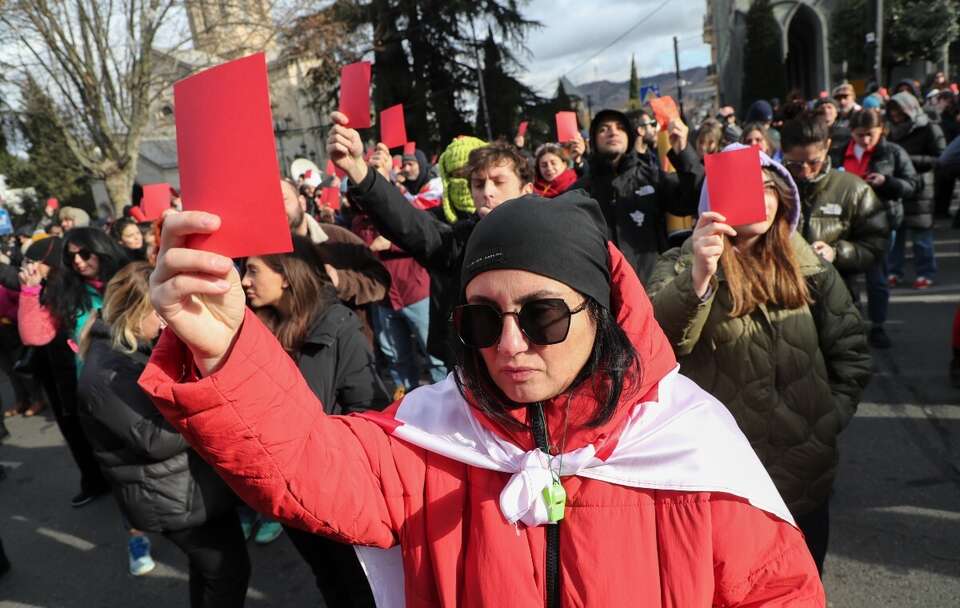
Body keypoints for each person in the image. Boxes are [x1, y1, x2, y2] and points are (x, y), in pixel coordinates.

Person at [141, 194, 825, 607]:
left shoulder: (687, 439)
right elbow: (307, 464)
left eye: (543, 316)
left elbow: (776, 592)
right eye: (481, 320)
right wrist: (225, 347)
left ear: (604, 314)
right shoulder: (434, 433)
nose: (511, 344)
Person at [648, 144, 870, 574]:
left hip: (804, 478)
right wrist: (698, 276)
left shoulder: (808, 265)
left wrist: (826, 418)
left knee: (800, 588)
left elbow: (851, 353)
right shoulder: (680, 264)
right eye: (747, 187)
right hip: (722, 479)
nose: (760, 198)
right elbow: (657, 349)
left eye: (770, 187)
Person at [77, 261, 249, 605]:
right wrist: (208, 405)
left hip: (181, 487)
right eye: (158, 314)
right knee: (227, 572)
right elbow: (156, 440)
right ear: (133, 312)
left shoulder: (124, 350)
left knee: (213, 572)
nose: (164, 323)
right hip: (170, 495)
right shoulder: (106, 373)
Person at [241, 236, 387, 606]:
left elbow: (367, 413)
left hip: (335, 488)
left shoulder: (338, 328)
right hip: (285, 492)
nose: (243, 280)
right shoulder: (253, 331)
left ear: (286, 276)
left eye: (253, 270)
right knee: (327, 578)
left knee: (359, 584)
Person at [335, 113, 533, 366]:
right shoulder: (460, 239)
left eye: (498, 182)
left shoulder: (552, 231)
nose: (487, 193)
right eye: (479, 184)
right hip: (475, 367)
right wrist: (358, 170)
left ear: (526, 189)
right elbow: (410, 224)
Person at [18, 229, 130, 507]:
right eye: (72, 257)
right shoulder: (66, 292)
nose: (78, 262)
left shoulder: (130, 279)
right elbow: (36, 336)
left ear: (101, 249)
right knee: (119, 467)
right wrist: (30, 292)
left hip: (140, 381)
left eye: (85, 253)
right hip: (96, 393)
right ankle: (136, 533)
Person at [568, 108, 703, 283]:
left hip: (652, 287)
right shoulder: (580, 191)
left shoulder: (651, 177)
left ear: (630, 137)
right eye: (603, 129)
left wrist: (683, 153)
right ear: (593, 141)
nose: (613, 131)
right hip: (604, 291)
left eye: (620, 127)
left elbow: (691, 200)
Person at [779, 115, 888, 284]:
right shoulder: (771, 190)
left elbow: (875, 245)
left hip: (837, 294)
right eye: (795, 164)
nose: (805, 172)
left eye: (813, 162)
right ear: (783, 152)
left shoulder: (854, 189)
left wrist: (836, 253)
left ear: (827, 146)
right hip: (780, 293)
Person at [843, 109, 920, 348]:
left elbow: (912, 184)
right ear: (851, 132)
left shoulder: (893, 152)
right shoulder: (839, 152)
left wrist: (887, 182)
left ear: (881, 130)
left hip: (881, 224)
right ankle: (853, 325)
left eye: (870, 134)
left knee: (877, 279)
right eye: (859, 135)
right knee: (847, 280)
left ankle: (878, 325)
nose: (865, 140)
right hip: (846, 226)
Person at [281, 178, 390, 309]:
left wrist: (340, 281)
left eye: (283, 200)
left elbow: (380, 280)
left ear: (302, 203)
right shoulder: (265, 257)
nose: (276, 209)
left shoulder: (337, 237)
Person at [886, 91, 946, 289]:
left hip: (921, 188)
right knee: (896, 234)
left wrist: (907, 160)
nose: (895, 116)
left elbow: (941, 158)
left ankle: (926, 272)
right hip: (898, 187)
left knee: (921, 236)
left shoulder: (929, 128)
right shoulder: (890, 130)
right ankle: (894, 271)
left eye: (899, 111)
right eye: (892, 111)